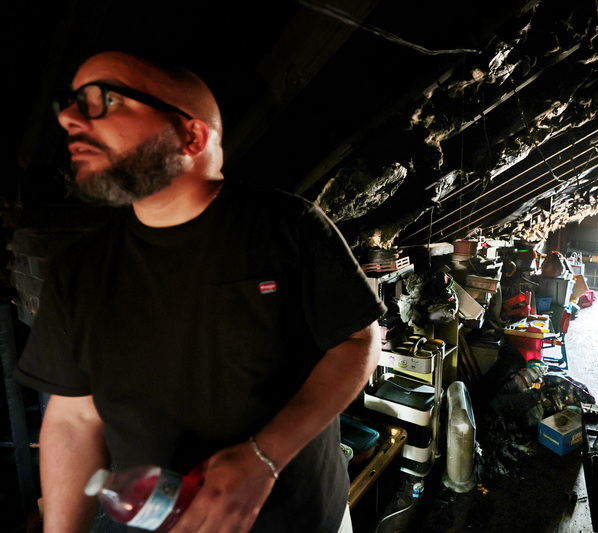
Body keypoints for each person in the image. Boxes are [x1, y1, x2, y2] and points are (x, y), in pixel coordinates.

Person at [14, 51, 387, 533]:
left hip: (301, 517)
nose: (67, 118)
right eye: (69, 104)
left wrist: (263, 459)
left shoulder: (289, 228)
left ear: (191, 135)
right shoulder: (77, 271)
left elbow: (358, 341)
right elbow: (74, 419)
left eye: (102, 99)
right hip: (157, 520)